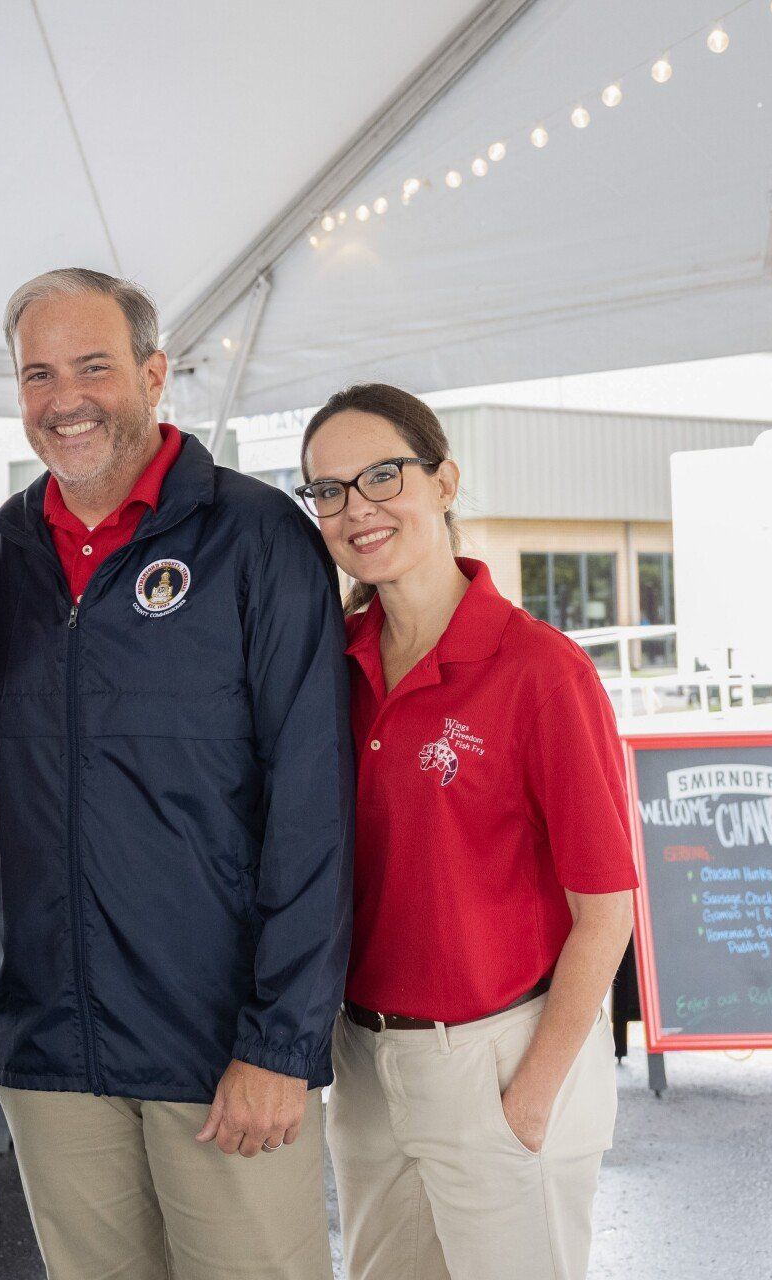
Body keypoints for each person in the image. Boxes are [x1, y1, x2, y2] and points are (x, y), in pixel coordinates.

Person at [0, 268, 354, 1280]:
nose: (65, 398)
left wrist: (281, 1041)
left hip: (220, 1051)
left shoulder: (258, 538)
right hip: (53, 1050)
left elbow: (315, 808)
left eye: (94, 366)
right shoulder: (4, 551)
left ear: (152, 373)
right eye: (38, 373)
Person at [297, 383, 637, 1280]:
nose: (356, 509)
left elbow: (607, 911)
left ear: (445, 481)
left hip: (500, 1056)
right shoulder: (330, 664)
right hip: (364, 1061)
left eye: (382, 476)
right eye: (328, 491)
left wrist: (529, 1097)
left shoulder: (540, 670)